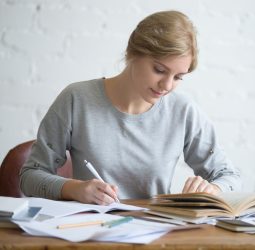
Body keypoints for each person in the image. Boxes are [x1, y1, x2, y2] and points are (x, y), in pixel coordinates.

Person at [20, 10, 241, 205]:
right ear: (133, 53)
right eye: (159, 70)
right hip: (91, 231)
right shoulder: (77, 99)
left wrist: (213, 189)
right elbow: (30, 177)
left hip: (158, 232)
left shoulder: (183, 111)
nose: (167, 85)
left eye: (178, 77)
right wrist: (75, 189)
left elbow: (229, 176)